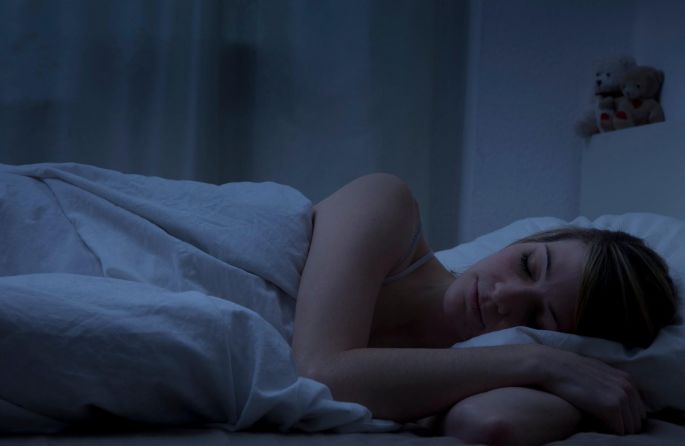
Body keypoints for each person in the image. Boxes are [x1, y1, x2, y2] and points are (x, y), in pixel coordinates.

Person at [292, 173, 678, 446]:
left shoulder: (476, 371)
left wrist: (576, 385)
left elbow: (487, 424)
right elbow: (320, 375)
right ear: (529, 240)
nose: (505, 296)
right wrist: (541, 362)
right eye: (528, 264)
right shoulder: (386, 204)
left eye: (536, 317)